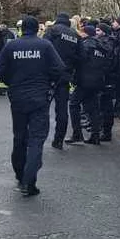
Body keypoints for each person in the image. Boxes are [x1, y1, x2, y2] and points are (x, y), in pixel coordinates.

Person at [0, 16, 66, 197]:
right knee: (36, 140)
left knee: (19, 138)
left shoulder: (11, 46)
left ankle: (20, 175)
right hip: (39, 98)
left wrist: (10, 80)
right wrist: (49, 82)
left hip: (17, 98)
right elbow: (60, 69)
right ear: (36, 29)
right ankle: (29, 181)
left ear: (21, 28)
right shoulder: (45, 46)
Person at [43, 12, 81, 149]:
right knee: (62, 109)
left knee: (42, 108)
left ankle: (38, 137)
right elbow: (80, 57)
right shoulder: (75, 35)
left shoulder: (51, 31)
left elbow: (44, 49)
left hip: (48, 75)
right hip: (65, 76)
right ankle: (58, 139)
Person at [67, 24, 110, 145]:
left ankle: (77, 134)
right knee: (93, 108)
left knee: (73, 104)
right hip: (98, 81)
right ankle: (95, 135)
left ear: (85, 33)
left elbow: (79, 61)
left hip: (84, 81)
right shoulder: (101, 46)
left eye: (81, 32)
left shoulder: (85, 45)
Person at [95, 23, 119, 142]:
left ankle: (106, 131)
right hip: (103, 77)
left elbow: (108, 58)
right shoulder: (106, 42)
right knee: (102, 104)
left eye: (98, 31)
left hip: (108, 78)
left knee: (106, 106)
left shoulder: (108, 42)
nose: (96, 33)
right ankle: (102, 129)